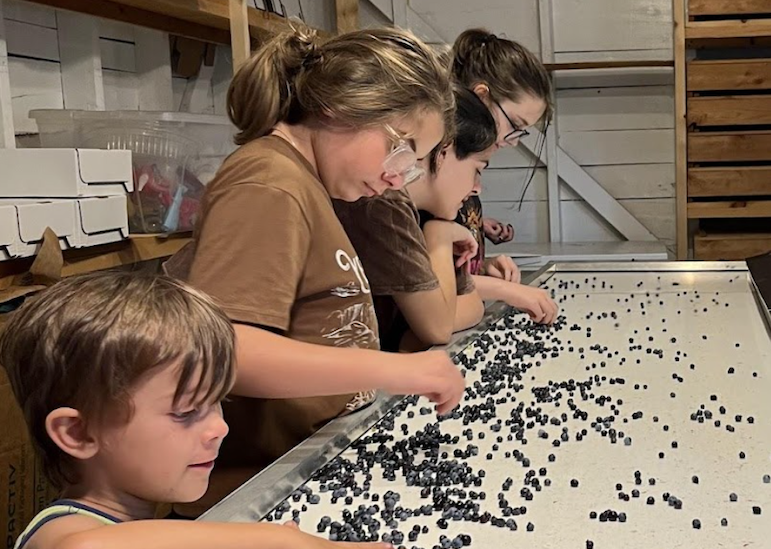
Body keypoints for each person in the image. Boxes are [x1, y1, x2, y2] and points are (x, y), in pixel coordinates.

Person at [0, 272, 407, 549]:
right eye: (186, 412)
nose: (219, 428)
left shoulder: (138, 519)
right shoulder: (59, 533)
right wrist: (279, 545)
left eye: (218, 403)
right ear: (79, 434)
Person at [168, 25, 465, 515]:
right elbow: (227, 350)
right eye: (401, 145)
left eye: (414, 162)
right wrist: (399, 369)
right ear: (341, 106)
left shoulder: (306, 183)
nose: (399, 174)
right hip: (249, 494)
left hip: (297, 473)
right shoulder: (270, 182)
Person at [337, 84, 558, 351]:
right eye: (478, 170)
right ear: (444, 152)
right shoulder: (384, 205)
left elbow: (467, 307)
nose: (477, 188)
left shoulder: (410, 206)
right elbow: (437, 327)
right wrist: (439, 236)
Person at [449, 28, 554, 289]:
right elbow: (431, 286)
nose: (515, 140)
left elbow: (451, 268)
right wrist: (510, 292)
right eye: (515, 124)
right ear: (482, 96)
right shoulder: (443, 162)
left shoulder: (464, 159)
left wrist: (482, 267)